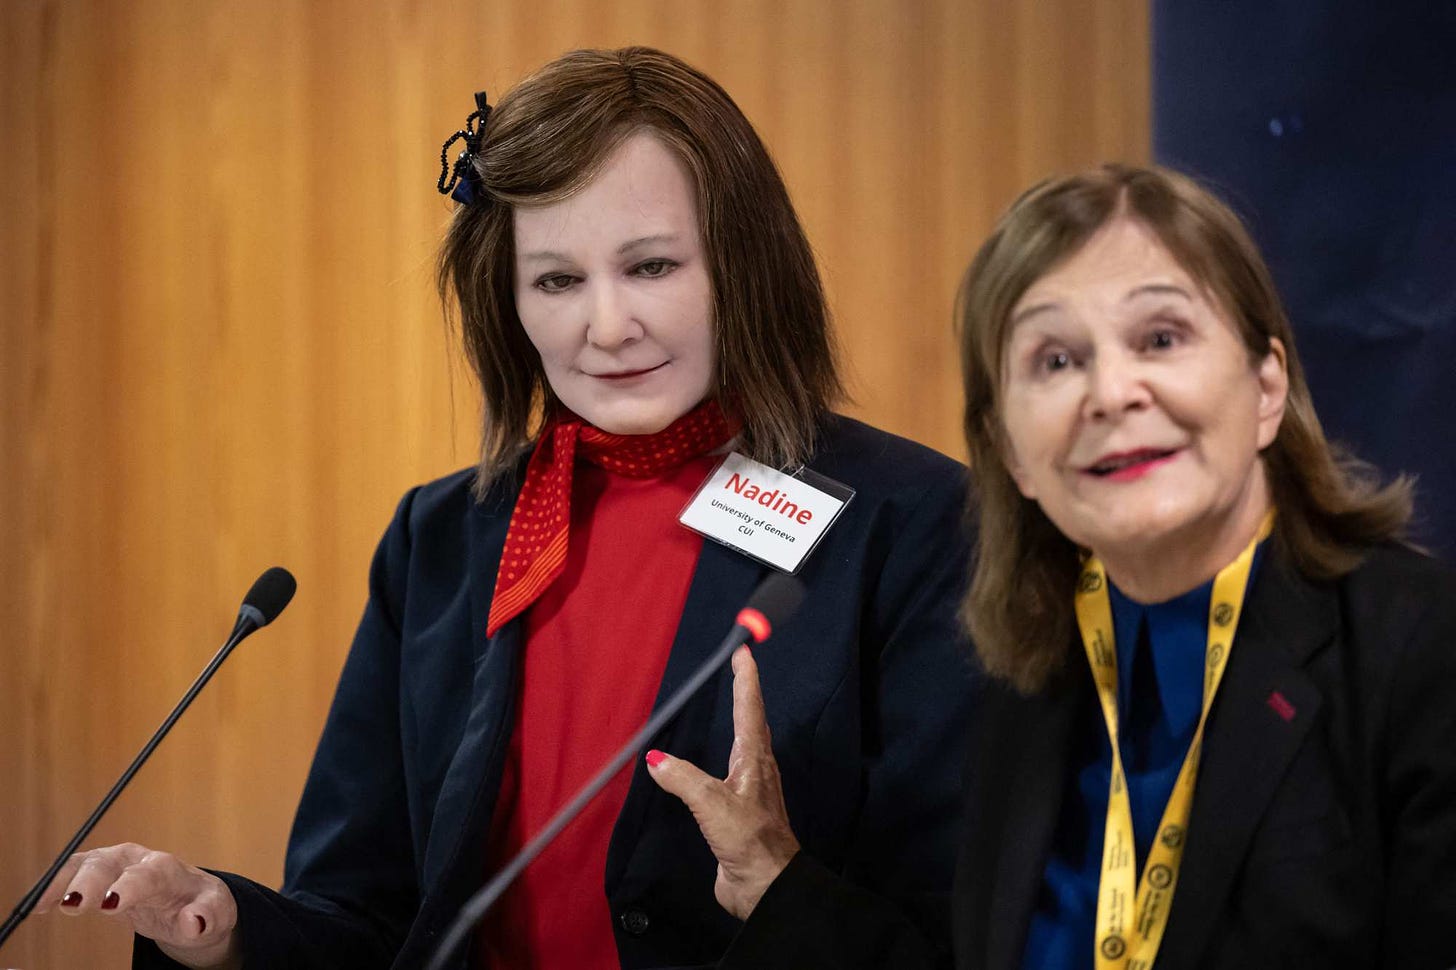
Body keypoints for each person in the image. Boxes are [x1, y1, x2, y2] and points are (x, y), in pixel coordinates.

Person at [32, 47, 976, 969]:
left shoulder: (910, 523)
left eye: (651, 267)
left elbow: (956, 936)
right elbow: (370, 915)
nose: (606, 327)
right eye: (558, 280)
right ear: (509, 302)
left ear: (744, 264)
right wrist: (228, 925)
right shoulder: (441, 540)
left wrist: (781, 887)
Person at [653, 163, 1456, 969]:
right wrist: (777, 887)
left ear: (1267, 386)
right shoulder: (1023, 668)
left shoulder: (1419, 653)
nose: (1110, 393)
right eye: (1056, 361)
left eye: (1161, 339)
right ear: (1012, 452)